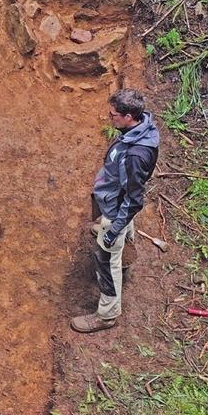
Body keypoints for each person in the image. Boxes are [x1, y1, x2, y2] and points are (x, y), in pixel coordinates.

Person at [71, 89, 160, 334]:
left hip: (117, 208)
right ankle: (123, 249)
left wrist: (114, 230)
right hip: (116, 200)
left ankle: (106, 315)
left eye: (113, 115)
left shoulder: (135, 155)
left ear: (129, 116)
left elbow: (133, 200)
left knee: (105, 259)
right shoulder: (141, 130)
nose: (110, 118)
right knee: (117, 237)